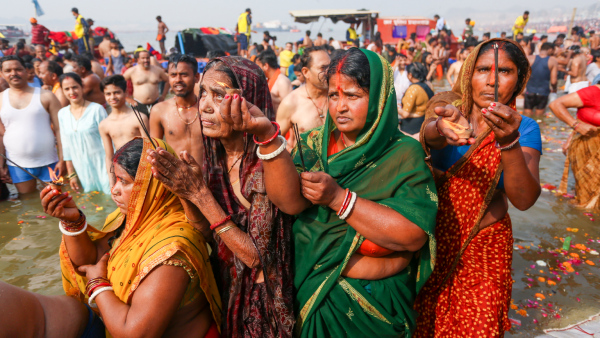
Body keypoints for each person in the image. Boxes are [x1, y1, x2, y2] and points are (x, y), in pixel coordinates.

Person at [242, 48, 437, 336]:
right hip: (318, 296)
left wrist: (339, 199)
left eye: (353, 96)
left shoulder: (404, 153)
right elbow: (290, 204)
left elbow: (413, 234)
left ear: (380, 98)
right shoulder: (313, 145)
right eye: (334, 95)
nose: (340, 107)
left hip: (379, 303)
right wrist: (268, 139)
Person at [147, 56, 295, 337]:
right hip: (228, 285)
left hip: (264, 302)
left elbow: (255, 257)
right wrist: (183, 191)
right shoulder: (217, 157)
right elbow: (206, 231)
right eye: (203, 93)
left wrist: (201, 195)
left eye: (219, 96)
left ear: (248, 100)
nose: (204, 105)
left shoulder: (265, 165)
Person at [414, 39, 541, 337]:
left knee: (479, 327)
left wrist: (508, 142)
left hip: (485, 249)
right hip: (431, 241)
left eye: (505, 71)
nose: (492, 80)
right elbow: (426, 138)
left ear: (519, 79)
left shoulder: (524, 128)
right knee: (425, 322)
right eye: (483, 69)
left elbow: (523, 200)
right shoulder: (447, 112)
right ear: (469, 73)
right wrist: (439, 129)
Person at [33, 137, 221, 337]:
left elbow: (134, 333)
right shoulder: (130, 217)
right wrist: (73, 222)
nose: (114, 190)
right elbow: (88, 262)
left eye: (124, 181)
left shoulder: (173, 249)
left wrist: (97, 284)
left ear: (151, 185)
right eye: (115, 179)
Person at [0, 55, 65, 194]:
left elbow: (61, 129)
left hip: (49, 160)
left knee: (58, 200)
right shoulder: (0, 99)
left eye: (18, 69)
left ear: (27, 71)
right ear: (1, 73)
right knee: (27, 204)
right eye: (8, 70)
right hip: (16, 163)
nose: (13, 73)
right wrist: (1, 164)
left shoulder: (46, 96)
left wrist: (63, 159)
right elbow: (0, 135)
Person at [551, 75, 600, 210]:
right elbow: (555, 104)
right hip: (587, 148)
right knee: (586, 194)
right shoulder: (593, 92)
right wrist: (576, 126)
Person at [57, 73, 110, 194]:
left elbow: (108, 140)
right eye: (67, 89)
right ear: (63, 91)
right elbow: (66, 146)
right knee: (92, 199)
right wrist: (71, 175)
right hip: (81, 167)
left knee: (110, 196)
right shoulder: (62, 114)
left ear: (82, 87)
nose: (72, 92)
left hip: (103, 164)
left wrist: (113, 168)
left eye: (75, 87)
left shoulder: (96, 109)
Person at [150, 54, 203, 163]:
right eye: (173, 75)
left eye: (184, 75)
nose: (178, 80)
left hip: (206, 177)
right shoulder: (159, 111)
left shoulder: (207, 108)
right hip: (174, 177)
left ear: (196, 77)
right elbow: (154, 151)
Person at [277, 46, 330, 151]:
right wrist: (295, 156)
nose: (329, 72)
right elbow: (277, 140)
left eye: (330, 67)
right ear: (306, 72)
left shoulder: (338, 98)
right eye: (323, 68)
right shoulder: (291, 102)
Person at [99, 75, 149, 187]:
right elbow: (109, 156)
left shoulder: (139, 118)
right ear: (104, 95)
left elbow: (148, 148)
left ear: (126, 92)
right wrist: (112, 183)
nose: (112, 97)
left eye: (117, 92)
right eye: (108, 94)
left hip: (141, 168)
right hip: (122, 170)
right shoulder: (104, 125)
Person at [124, 49, 170, 116]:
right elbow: (119, 83)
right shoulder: (132, 71)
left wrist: (163, 96)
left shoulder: (157, 70)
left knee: (158, 125)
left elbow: (168, 80)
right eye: (143, 58)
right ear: (138, 59)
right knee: (142, 125)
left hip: (156, 103)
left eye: (147, 58)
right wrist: (127, 98)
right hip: (138, 104)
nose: (146, 60)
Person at [398, 63, 435, 136]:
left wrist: (397, 108)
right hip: (424, 124)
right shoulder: (428, 84)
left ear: (410, 75)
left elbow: (405, 114)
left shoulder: (413, 89)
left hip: (412, 128)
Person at [524, 42, 558, 117]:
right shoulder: (553, 61)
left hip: (529, 91)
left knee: (526, 116)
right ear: (550, 50)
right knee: (539, 117)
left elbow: (523, 76)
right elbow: (553, 81)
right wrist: (554, 89)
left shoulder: (530, 58)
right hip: (543, 92)